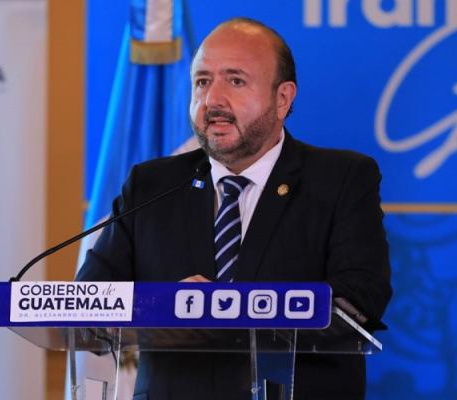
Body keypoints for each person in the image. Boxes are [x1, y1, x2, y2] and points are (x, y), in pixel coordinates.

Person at [77, 17, 392, 399]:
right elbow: (90, 303)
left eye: (235, 81)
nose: (212, 101)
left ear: (283, 98)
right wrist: (168, 305)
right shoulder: (150, 185)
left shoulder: (340, 180)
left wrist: (226, 307)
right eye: (202, 81)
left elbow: (359, 299)